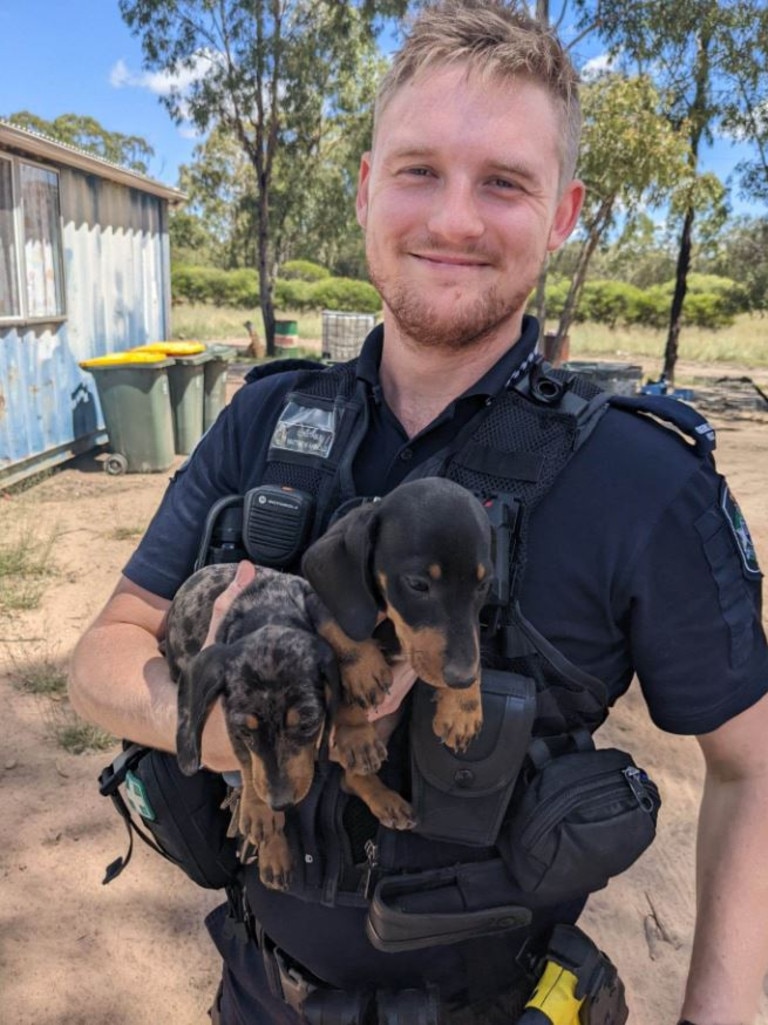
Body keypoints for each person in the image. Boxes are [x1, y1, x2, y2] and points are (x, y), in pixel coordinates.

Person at [69, 2, 768, 1023]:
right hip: (264, 997)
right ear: (364, 190)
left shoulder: (644, 478)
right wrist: (228, 733)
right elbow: (104, 652)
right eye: (418, 171)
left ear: (563, 213)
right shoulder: (265, 418)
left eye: (504, 181)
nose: (452, 218)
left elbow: (750, 771)